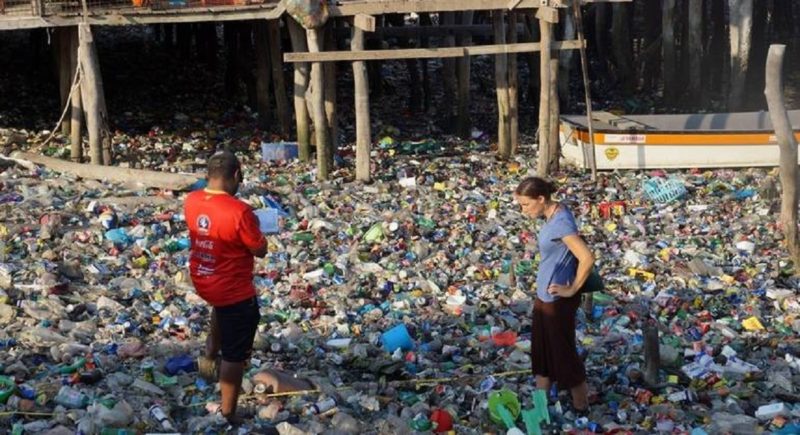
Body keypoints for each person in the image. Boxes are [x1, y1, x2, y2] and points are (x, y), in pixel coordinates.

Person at [184, 150, 267, 423]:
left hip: (202, 278)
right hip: (231, 289)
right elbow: (259, 249)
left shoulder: (192, 200)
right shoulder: (240, 211)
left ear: (208, 175)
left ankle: (209, 354)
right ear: (236, 175)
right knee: (236, 350)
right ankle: (229, 411)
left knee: (223, 309)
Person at [513, 176, 594, 412]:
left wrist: (572, 289)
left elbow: (587, 257)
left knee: (563, 353)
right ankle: (541, 403)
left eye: (526, 204)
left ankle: (581, 406)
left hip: (558, 301)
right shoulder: (553, 215)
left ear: (541, 199)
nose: (523, 210)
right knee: (542, 352)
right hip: (545, 297)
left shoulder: (560, 223)